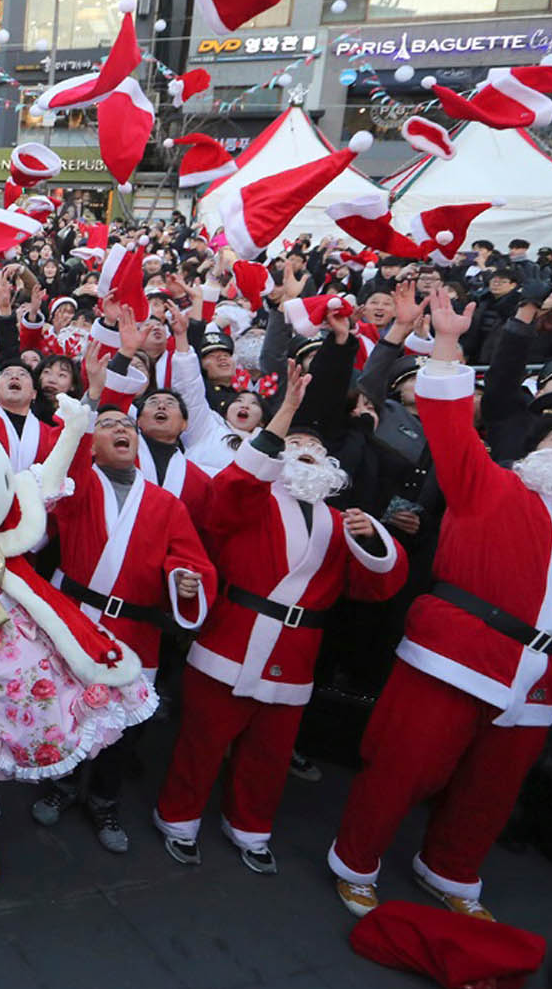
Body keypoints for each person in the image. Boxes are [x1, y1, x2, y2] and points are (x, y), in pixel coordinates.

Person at [327, 297, 552, 922]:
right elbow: (451, 431)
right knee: (404, 769)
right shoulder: (490, 486)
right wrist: (445, 346)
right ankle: (356, 863)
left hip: (540, 682)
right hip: (454, 658)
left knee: (490, 792)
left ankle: (451, 872)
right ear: (537, 450)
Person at [153, 365, 407, 874]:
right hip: (233, 634)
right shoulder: (252, 502)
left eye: (315, 449)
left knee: (270, 752)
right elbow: (230, 491)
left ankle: (249, 826)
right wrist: (285, 412)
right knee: (203, 739)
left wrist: (375, 539)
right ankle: (178, 817)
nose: (306, 452)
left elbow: (374, 587)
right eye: (295, 445)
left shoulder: (341, 521)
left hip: (296, 652)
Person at [38, 405, 215, 852]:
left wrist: (184, 578)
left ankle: (104, 799)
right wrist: (93, 397)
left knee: (122, 726)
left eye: (128, 427)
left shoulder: (166, 504)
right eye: (109, 426)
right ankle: (59, 785)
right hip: (78, 616)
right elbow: (62, 467)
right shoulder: (79, 488)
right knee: (69, 710)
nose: (121, 431)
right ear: (92, 443)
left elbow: (190, 557)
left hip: (136, 631)